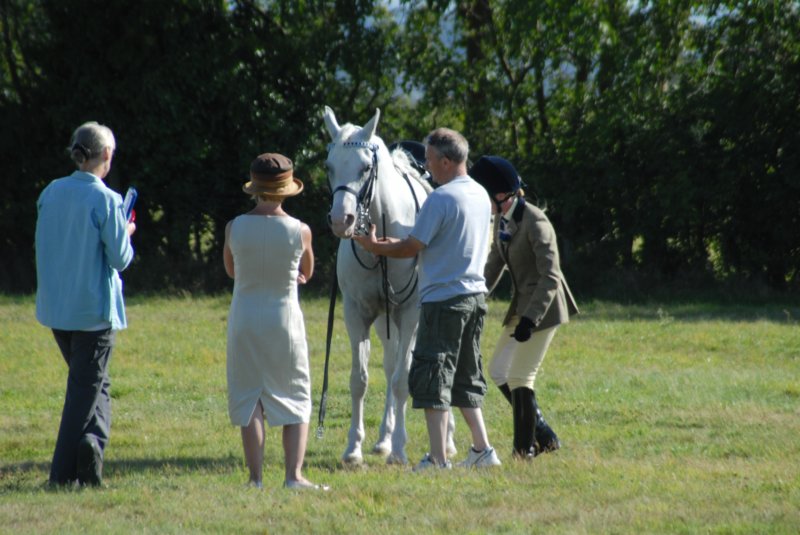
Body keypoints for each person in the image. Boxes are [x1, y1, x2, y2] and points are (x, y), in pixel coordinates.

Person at [354, 128, 501, 470]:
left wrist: (374, 246)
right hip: (475, 297)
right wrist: (389, 241)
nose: (427, 166)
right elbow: (424, 238)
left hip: (443, 300)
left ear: (447, 161)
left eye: (431, 159)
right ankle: (483, 450)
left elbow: (410, 248)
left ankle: (437, 459)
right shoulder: (480, 195)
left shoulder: (440, 198)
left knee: (433, 375)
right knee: (466, 376)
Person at [35, 121, 136, 487]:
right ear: (106, 155)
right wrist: (125, 231)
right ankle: (60, 477)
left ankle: (91, 452)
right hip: (93, 312)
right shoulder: (106, 199)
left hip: (57, 309)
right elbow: (120, 259)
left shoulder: (50, 191)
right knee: (82, 394)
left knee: (96, 386)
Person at [223, 152, 327, 490]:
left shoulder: (234, 227)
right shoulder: (301, 231)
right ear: (287, 190)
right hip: (284, 320)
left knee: (250, 395)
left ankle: (255, 478)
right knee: (295, 394)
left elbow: (232, 270)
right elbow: (307, 272)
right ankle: (293, 476)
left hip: (245, 318)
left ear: (254, 189)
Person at [469, 155, 579, 459]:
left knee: (520, 375)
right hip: (522, 304)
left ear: (501, 195)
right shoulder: (501, 219)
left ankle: (523, 451)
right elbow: (495, 261)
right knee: (498, 369)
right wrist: (477, 294)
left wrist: (530, 319)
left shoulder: (535, 220)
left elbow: (551, 276)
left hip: (544, 308)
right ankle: (545, 435)